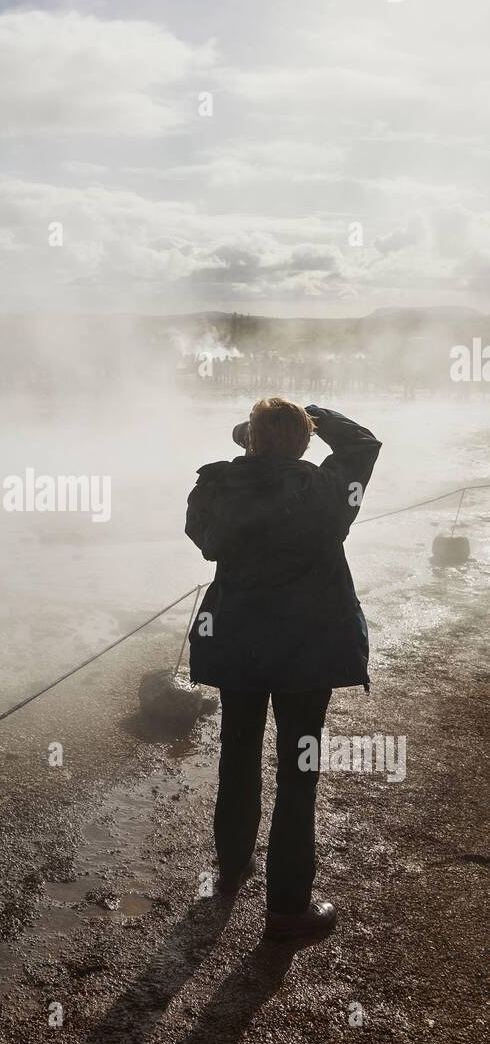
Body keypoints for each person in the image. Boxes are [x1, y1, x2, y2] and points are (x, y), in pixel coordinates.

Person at [185, 398, 382, 940]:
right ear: (305, 441)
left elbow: (204, 541)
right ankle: (288, 909)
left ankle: (230, 869)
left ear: (247, 440)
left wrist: (254, 443)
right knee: (299, 773)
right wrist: (312, 412)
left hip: (236, 643)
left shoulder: (217, 486)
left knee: (238, 750)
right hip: (308, 650)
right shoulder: (326, 491)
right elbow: (363, 443)